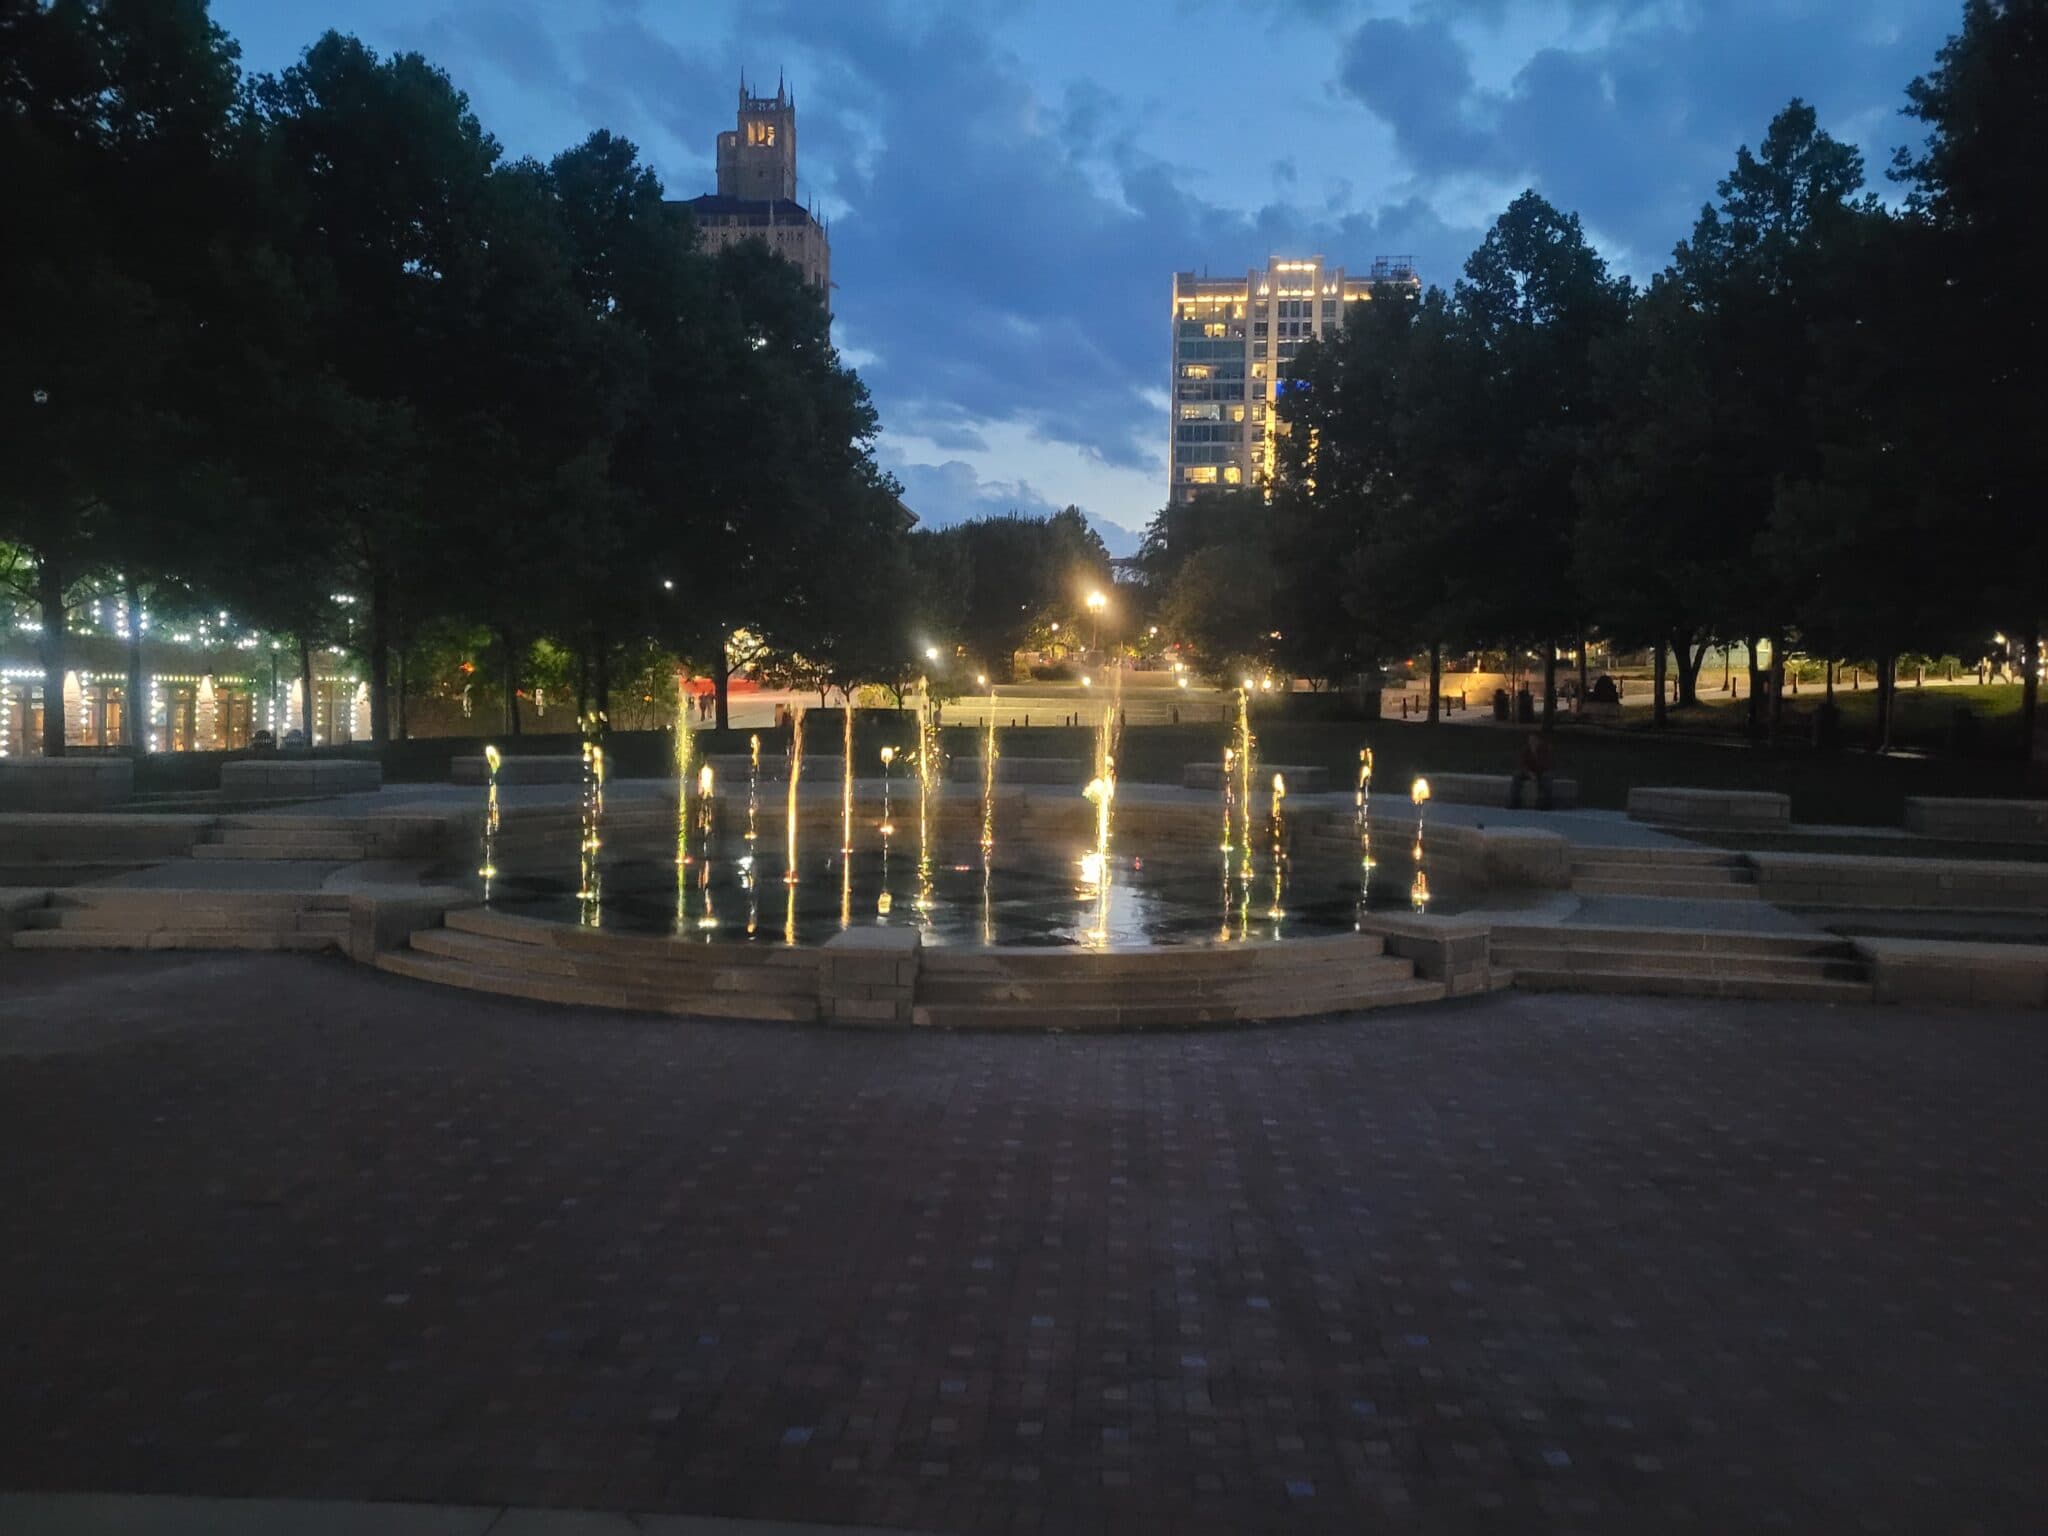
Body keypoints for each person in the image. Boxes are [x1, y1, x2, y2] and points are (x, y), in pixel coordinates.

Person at [1508, 731, 1554, 811]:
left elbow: (1547, 764)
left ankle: (1545, 802)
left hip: (1542, 771)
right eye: (1530, 740)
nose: (1532, 742)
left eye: (1534, 740)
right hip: (1530, 772)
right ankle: (1514, 801)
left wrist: (1537, 773)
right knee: (1517, 775)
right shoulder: (1526, 750)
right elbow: (1522, 764)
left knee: (1547, 777)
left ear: (1539, 740)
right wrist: (1529, 773)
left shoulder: (1545, 749)